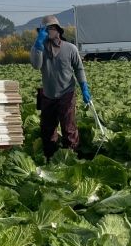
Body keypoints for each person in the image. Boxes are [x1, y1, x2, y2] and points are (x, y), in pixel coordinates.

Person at [29, 14, 91, 158]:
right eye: (45, 29)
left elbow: (79, 69)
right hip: (48, 94)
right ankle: (51, 158)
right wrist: (38, 45)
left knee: (69, 129)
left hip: (67, 93)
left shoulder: (70, 48)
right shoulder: (39, 48)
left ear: (58, 30)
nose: (48, 31)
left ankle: (72, 157)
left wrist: (84, 88)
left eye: (51, 28)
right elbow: (36, 65)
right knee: (47, 130)